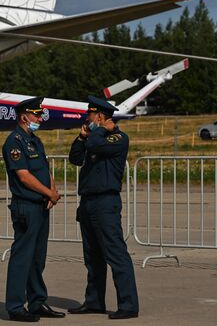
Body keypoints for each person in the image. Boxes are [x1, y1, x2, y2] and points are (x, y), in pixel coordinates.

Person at [67, 96, 139, 320]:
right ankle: (94, 301)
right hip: (88, 201)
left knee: (115, 254)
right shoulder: (93, 136)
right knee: (93, 257)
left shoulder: (118, 137)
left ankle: (128, 305)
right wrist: (81, 136)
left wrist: (96, 131)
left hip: (105, 202)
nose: (87, 120)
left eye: (90, 116)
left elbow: (95, 145)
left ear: (99, 116)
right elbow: (75, 158)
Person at [2, 96, 66, 322]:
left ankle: (37, 302)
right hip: (26, 206)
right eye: (36, 115)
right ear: (23, 117)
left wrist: (52, 189)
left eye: (40, 114)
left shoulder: (35, 141)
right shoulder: (15, 142)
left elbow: (43, 168)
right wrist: (48, 193)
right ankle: (15, 306)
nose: (39, 118)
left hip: (41, 205)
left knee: (38, 258)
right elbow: (24, 175)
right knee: (22, 257)